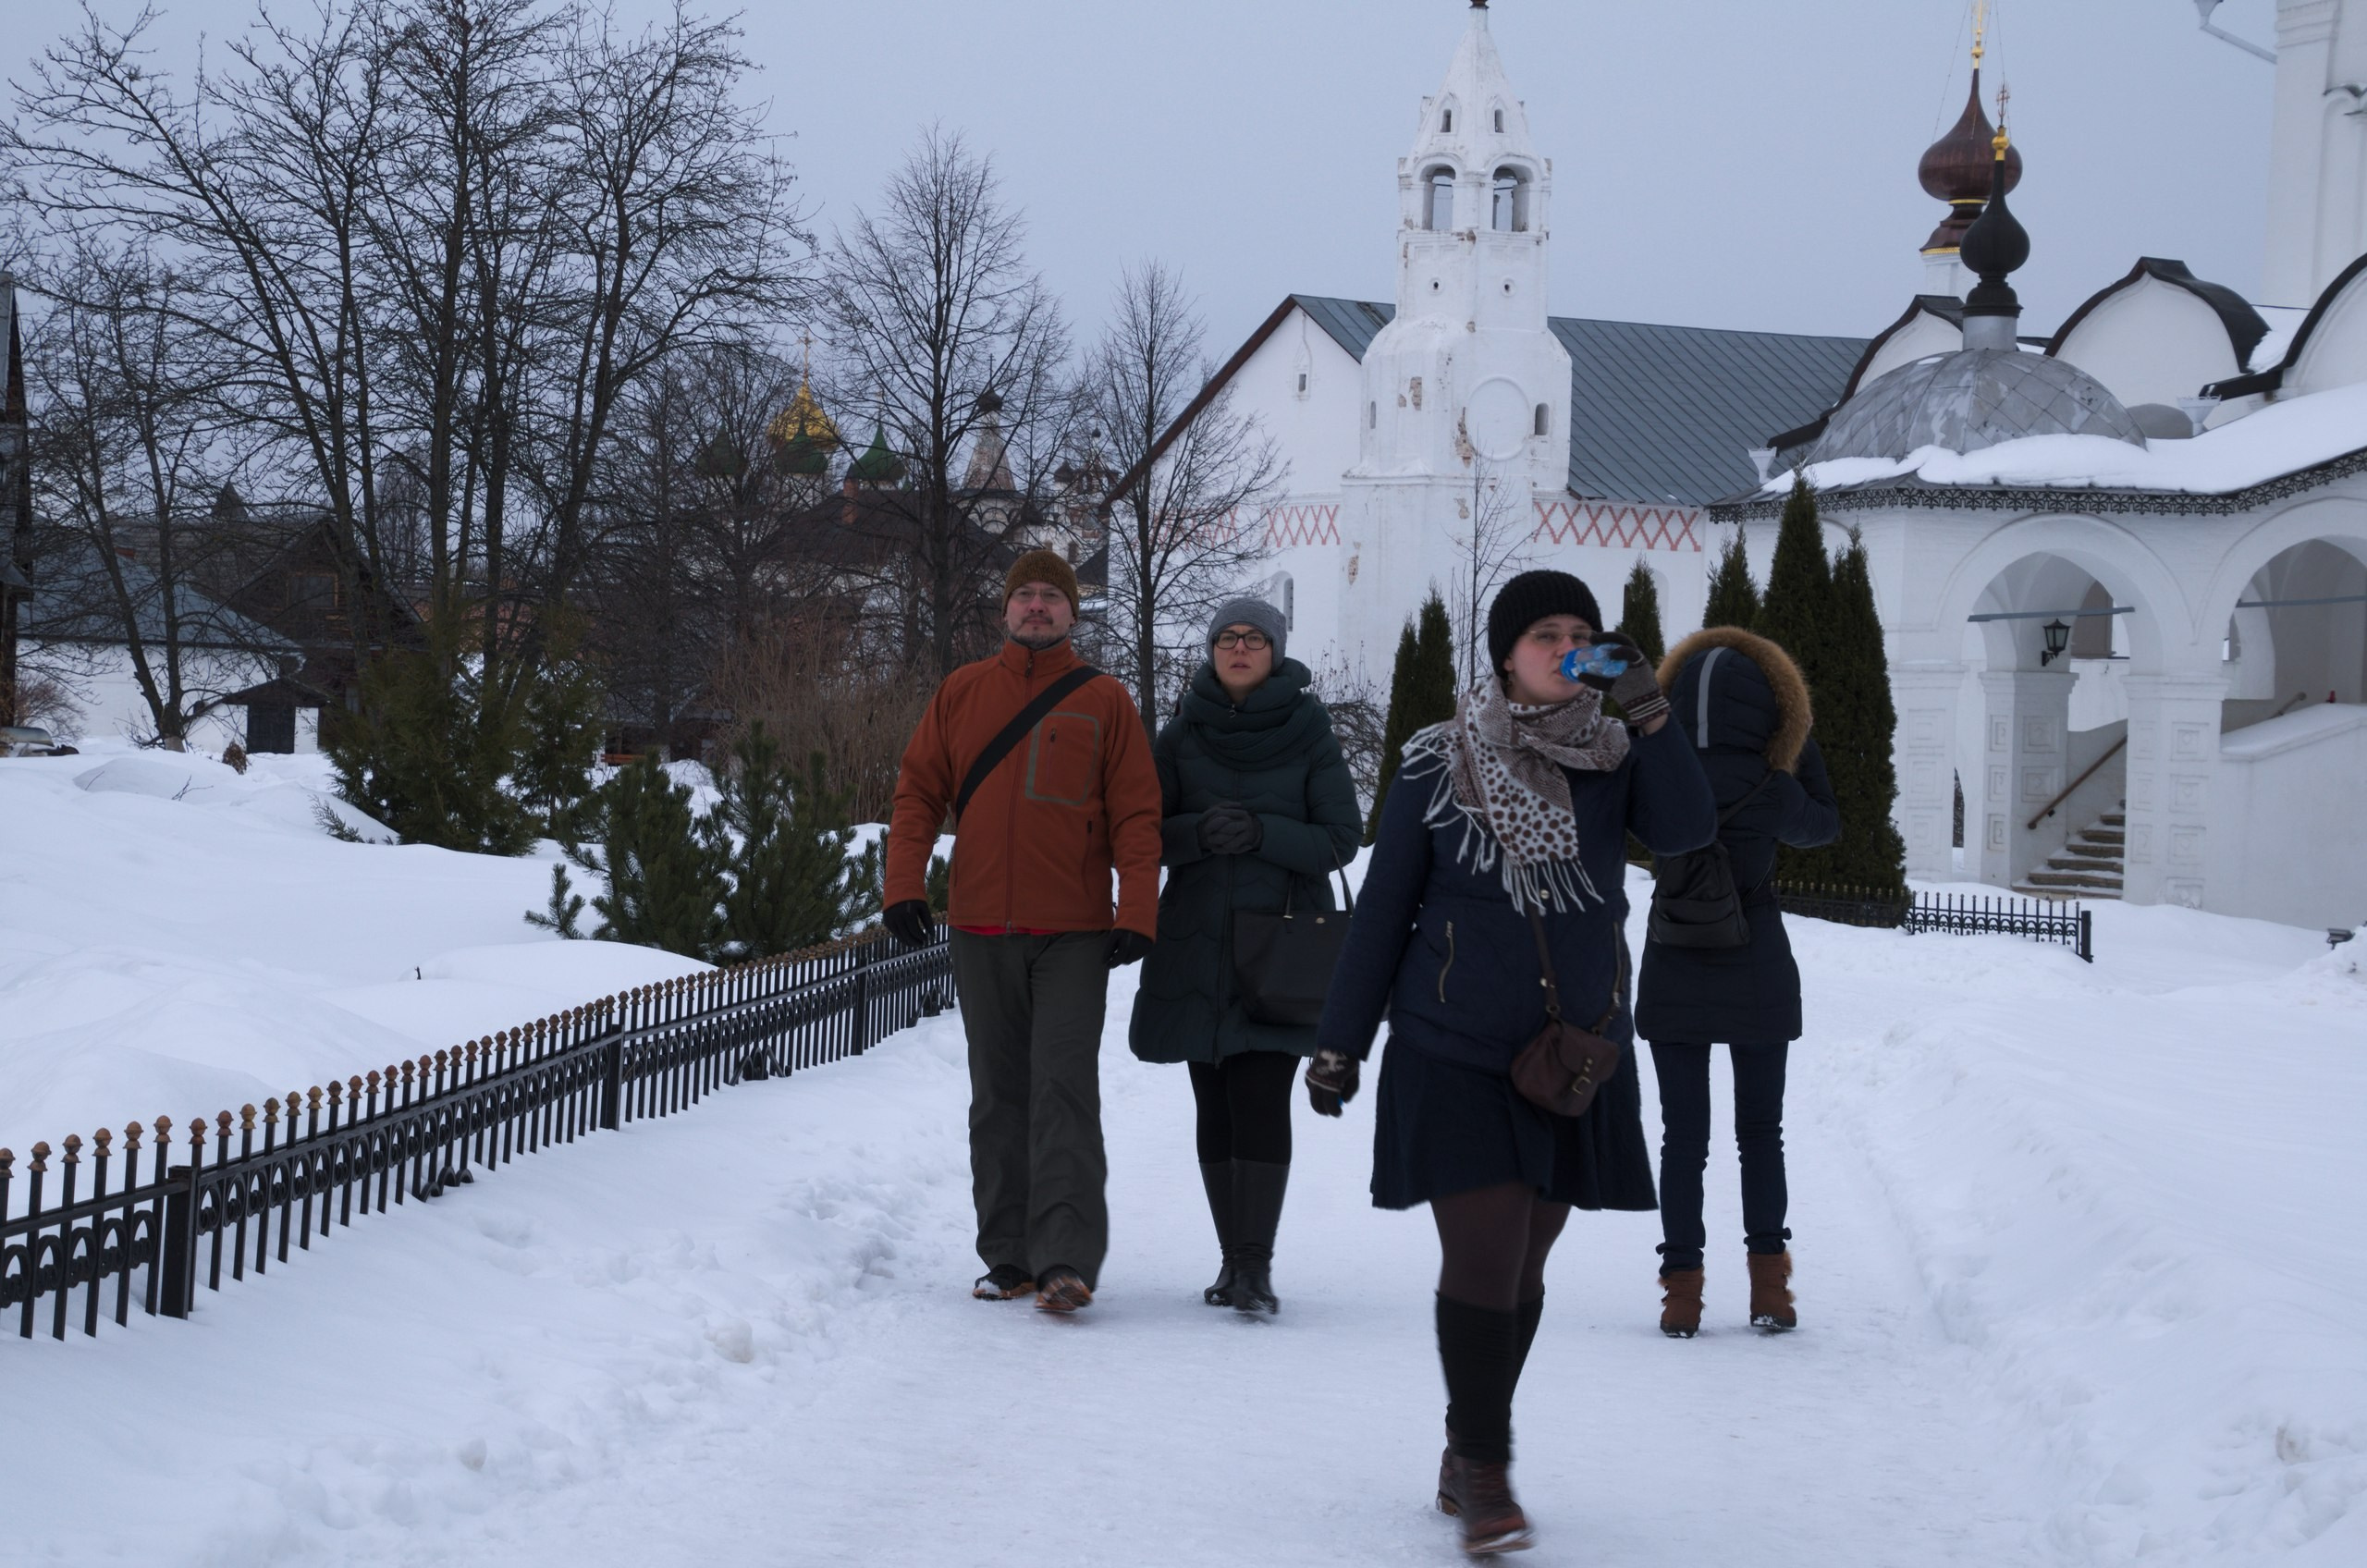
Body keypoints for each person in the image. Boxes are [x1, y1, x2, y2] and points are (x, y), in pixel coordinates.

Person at [1308, 570, 1715, 1557]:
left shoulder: (1614, 753)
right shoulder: (1437, 758)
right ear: (1505, 654)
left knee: (1527, 1259)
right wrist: (1340, 1040)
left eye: (1582, 634)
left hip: (1572, 1051)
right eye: (1545, 634)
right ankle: (1489, 1475)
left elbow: (1687, 830)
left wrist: (1650, 710)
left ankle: (1464, 1444)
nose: (1566, 648)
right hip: (1451, 1041)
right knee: (1486, 1249)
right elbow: (1385, 905)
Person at [881, 549, 1161, 1315]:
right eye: (1025, 594)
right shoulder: (962, 692)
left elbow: (1138, 815)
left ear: (1073, 611)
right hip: (979, 927)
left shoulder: (1106, 700)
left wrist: (1138, 909)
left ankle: (1064, 1258)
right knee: (998, 1095)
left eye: (1052, 596)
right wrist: (903, 886)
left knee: (1063, 1089)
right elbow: (917, 794)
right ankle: (1009, 1257)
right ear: (1005, 609)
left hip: (1073, 932)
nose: (1037, 606)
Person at [1127, 597, 1360, 1317]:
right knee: (1214, 1101)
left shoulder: (1310, 731)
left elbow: (1341, 837)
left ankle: (1254, 1267)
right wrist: (1198, 834)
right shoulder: (1180, 733)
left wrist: (1262, 833)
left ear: (1276, 651)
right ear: (1210, 649)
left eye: (1254, 638)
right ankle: (1232, 1261)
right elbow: (1142, 832)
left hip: (1279, 948)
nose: (1239, 648)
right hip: (1197, 942)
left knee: (1259, 1096)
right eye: (1227, 637)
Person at [1634, 627, 1839, 1339]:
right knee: (1761, 1132)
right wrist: (1798, 747)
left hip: (1673, 960)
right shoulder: (1773, 784)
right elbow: (1824, 826)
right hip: (1758, 964)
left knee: (1682, 1137)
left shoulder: (1660, 775)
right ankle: (1770, 1289)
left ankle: (1681, 1295)